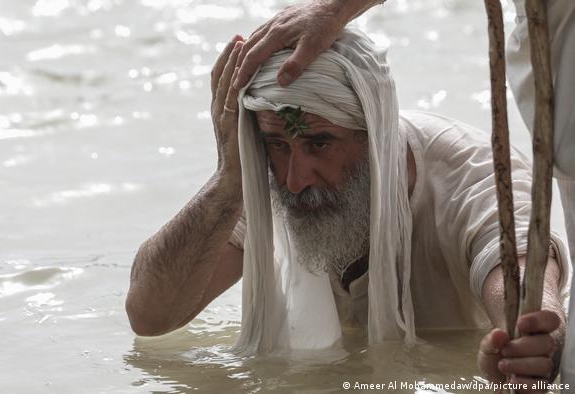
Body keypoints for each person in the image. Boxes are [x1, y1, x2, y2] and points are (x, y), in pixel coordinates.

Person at [126, 24, 570, 391]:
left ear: (373, 136)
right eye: (277, 144)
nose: (295, 178)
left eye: (319, 143)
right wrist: (228, 180)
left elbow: (521, 280)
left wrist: (528, 338)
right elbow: (149, 317)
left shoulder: (472, 176)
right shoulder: (272, 180)